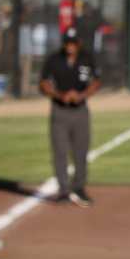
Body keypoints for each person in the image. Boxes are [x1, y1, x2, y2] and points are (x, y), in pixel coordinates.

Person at [39, 25, 100, 205]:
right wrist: (60, 95)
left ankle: (79, 187)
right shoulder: (54, 59)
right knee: (60, 151)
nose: (70, 46)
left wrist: (81, 95)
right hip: (60, 110)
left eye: (73, 43)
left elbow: (96, 81)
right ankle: (63, 190)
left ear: (78, 43)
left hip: (80, 110)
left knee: (81, 151)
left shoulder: (87, 58)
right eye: (67, 43)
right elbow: (43, 83)